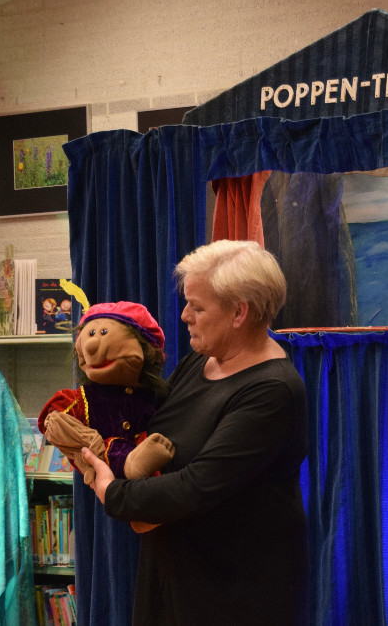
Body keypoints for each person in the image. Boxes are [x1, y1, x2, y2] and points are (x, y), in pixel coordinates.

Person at [80, 240, 310, 625]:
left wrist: (111, 490)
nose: (185, 315)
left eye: (197, 307)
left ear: (239, 312)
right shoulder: (198, 361)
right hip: (173, 575)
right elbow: (147, 432)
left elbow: (196, 486)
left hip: (234, 592)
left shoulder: (272, 390)